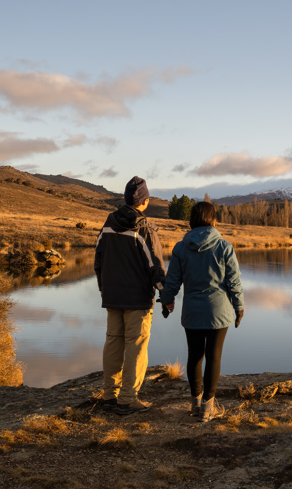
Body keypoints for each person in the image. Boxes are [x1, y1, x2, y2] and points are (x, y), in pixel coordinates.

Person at [160, 201, 244, 422]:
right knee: (214, 356)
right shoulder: (224, 247)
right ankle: (208, 408)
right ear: (213, 220)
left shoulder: (180, 248)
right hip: (219, 311)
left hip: (192, 311)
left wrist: (166, 301)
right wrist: (239, 306)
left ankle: (195, 404)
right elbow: (234, 282)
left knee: (195, 356)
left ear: (192, 221)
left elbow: (173, 280)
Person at [94, 176, 165, 415]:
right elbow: (155, 267)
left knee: (113, 342)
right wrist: (166, 296)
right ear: (144, 202)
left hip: (112, 296)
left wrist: (104, 289)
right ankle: (127, 399)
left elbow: (98, 260)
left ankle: (109, 396)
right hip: (137, 299)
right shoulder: (144, 227)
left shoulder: (108, 223)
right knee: (135, 346)